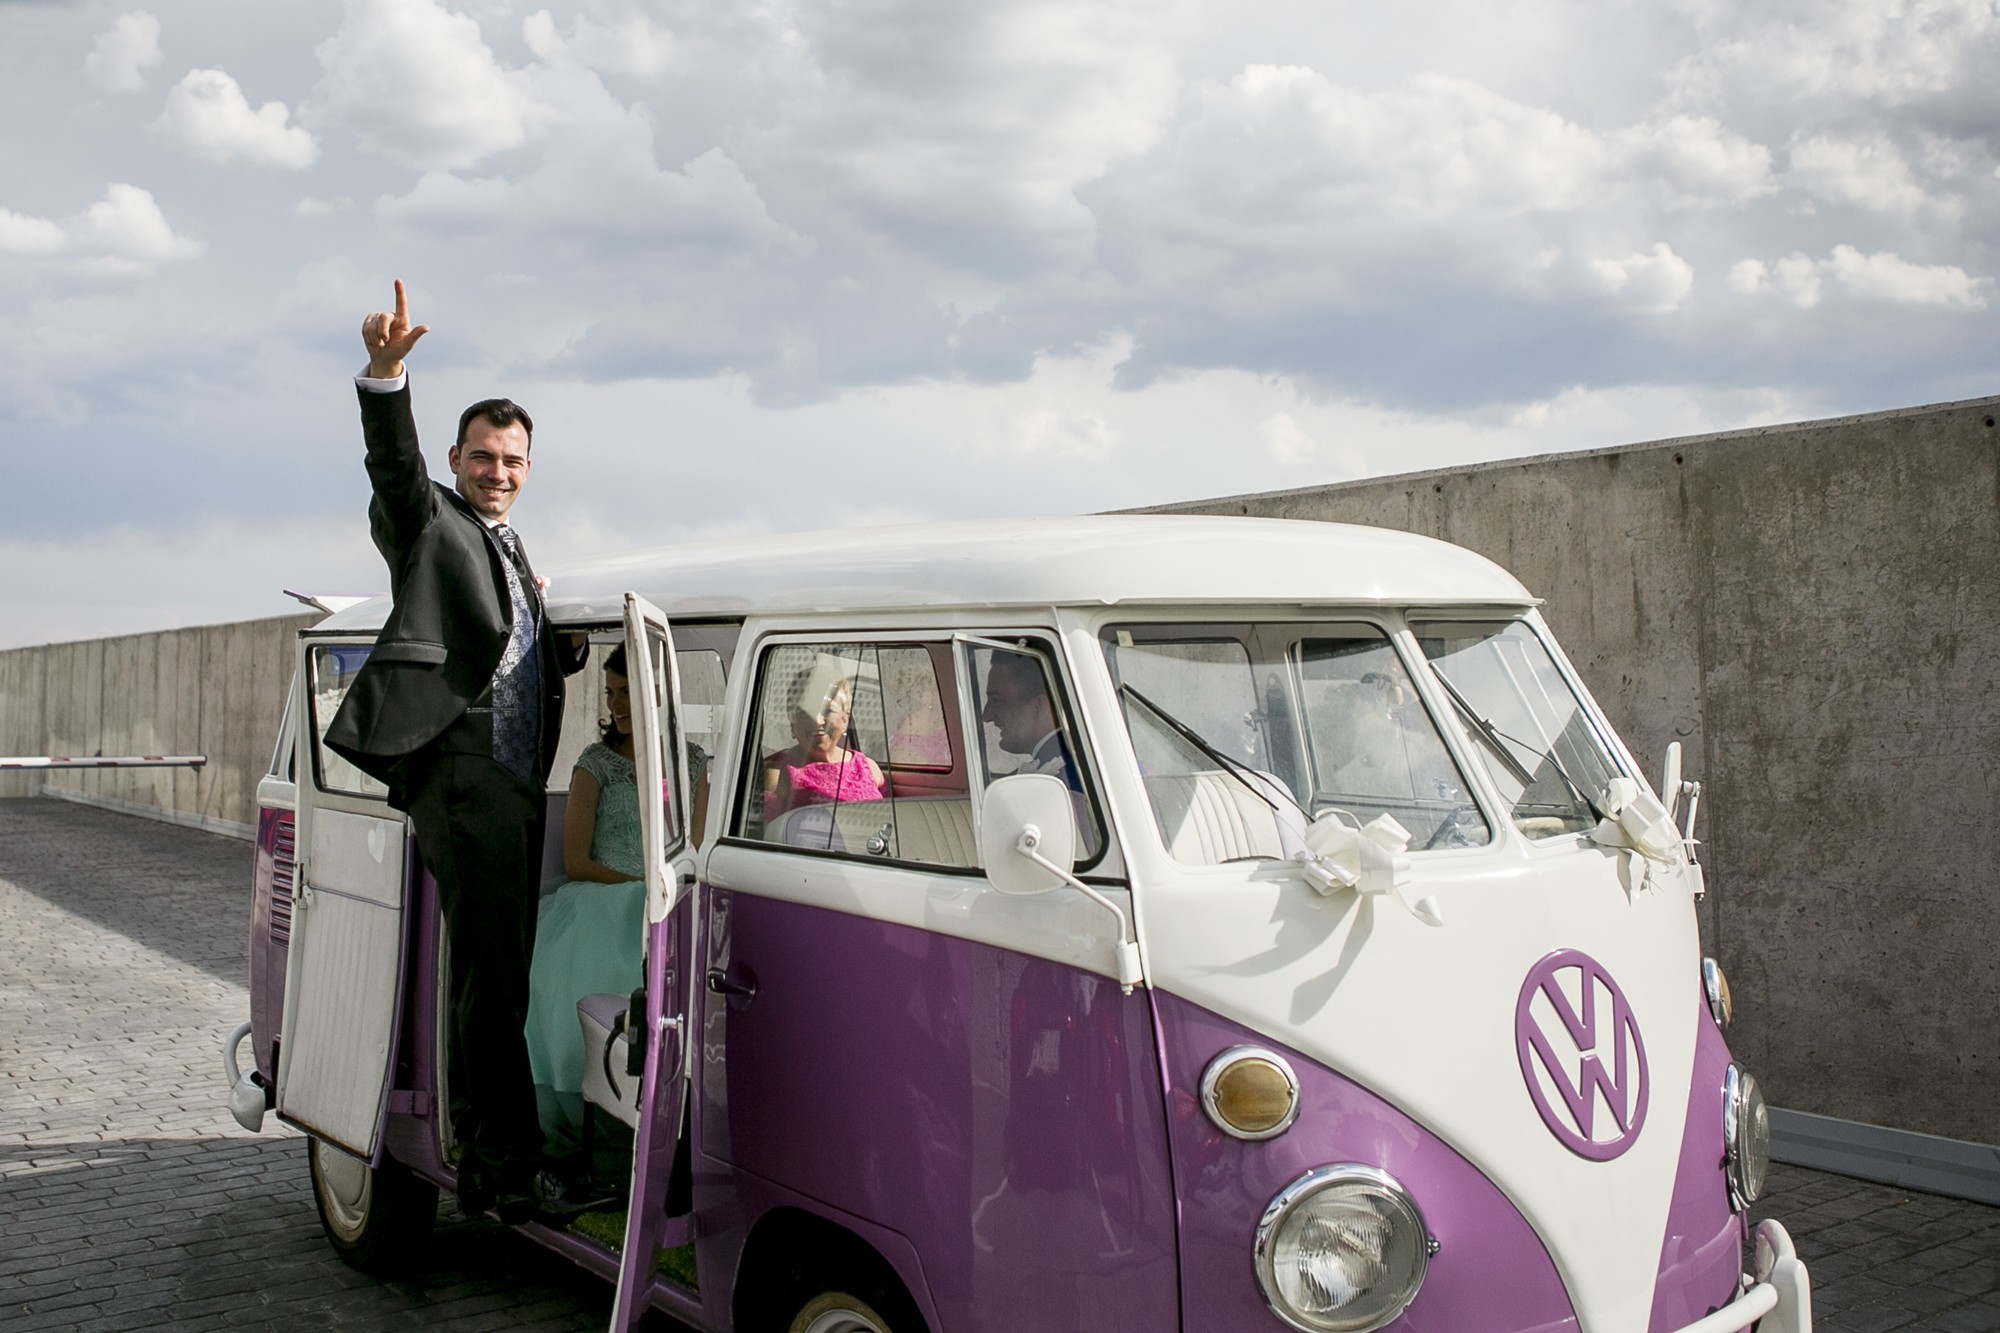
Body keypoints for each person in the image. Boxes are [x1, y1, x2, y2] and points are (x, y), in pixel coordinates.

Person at [324, 280, 586, 1221]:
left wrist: (555, 630)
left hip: (516, 780)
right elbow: (392, 474)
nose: (499, 471)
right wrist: (387, 377)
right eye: (484, 456)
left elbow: (509, 646)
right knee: (495, 976)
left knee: (494, 973)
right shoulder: (432, 525)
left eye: (514, 459)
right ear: (456, 458)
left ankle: (488, 1153)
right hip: (464, 772)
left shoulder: (513, 551)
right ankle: (504, 1169)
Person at [524, 647, 645, 1157]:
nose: (617, 704)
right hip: (599, 899)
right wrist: (632, 883)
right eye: (611, 692)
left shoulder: (691, 762)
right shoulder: (594, 764)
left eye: (628, 692)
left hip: (664, 900)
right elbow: (575, 859)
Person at [760, 672, 885, 824]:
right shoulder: (777, 774)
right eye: (805, 712)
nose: (817, 721)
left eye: (828, 711)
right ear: (792, 721)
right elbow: (770, 839)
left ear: (845, 719)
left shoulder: (868, 767)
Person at [979, 649, 1078, 788]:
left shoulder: (1057, 778)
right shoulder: (1069, 760)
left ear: (1039, 706)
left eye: (997, 700)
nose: (986, 715)